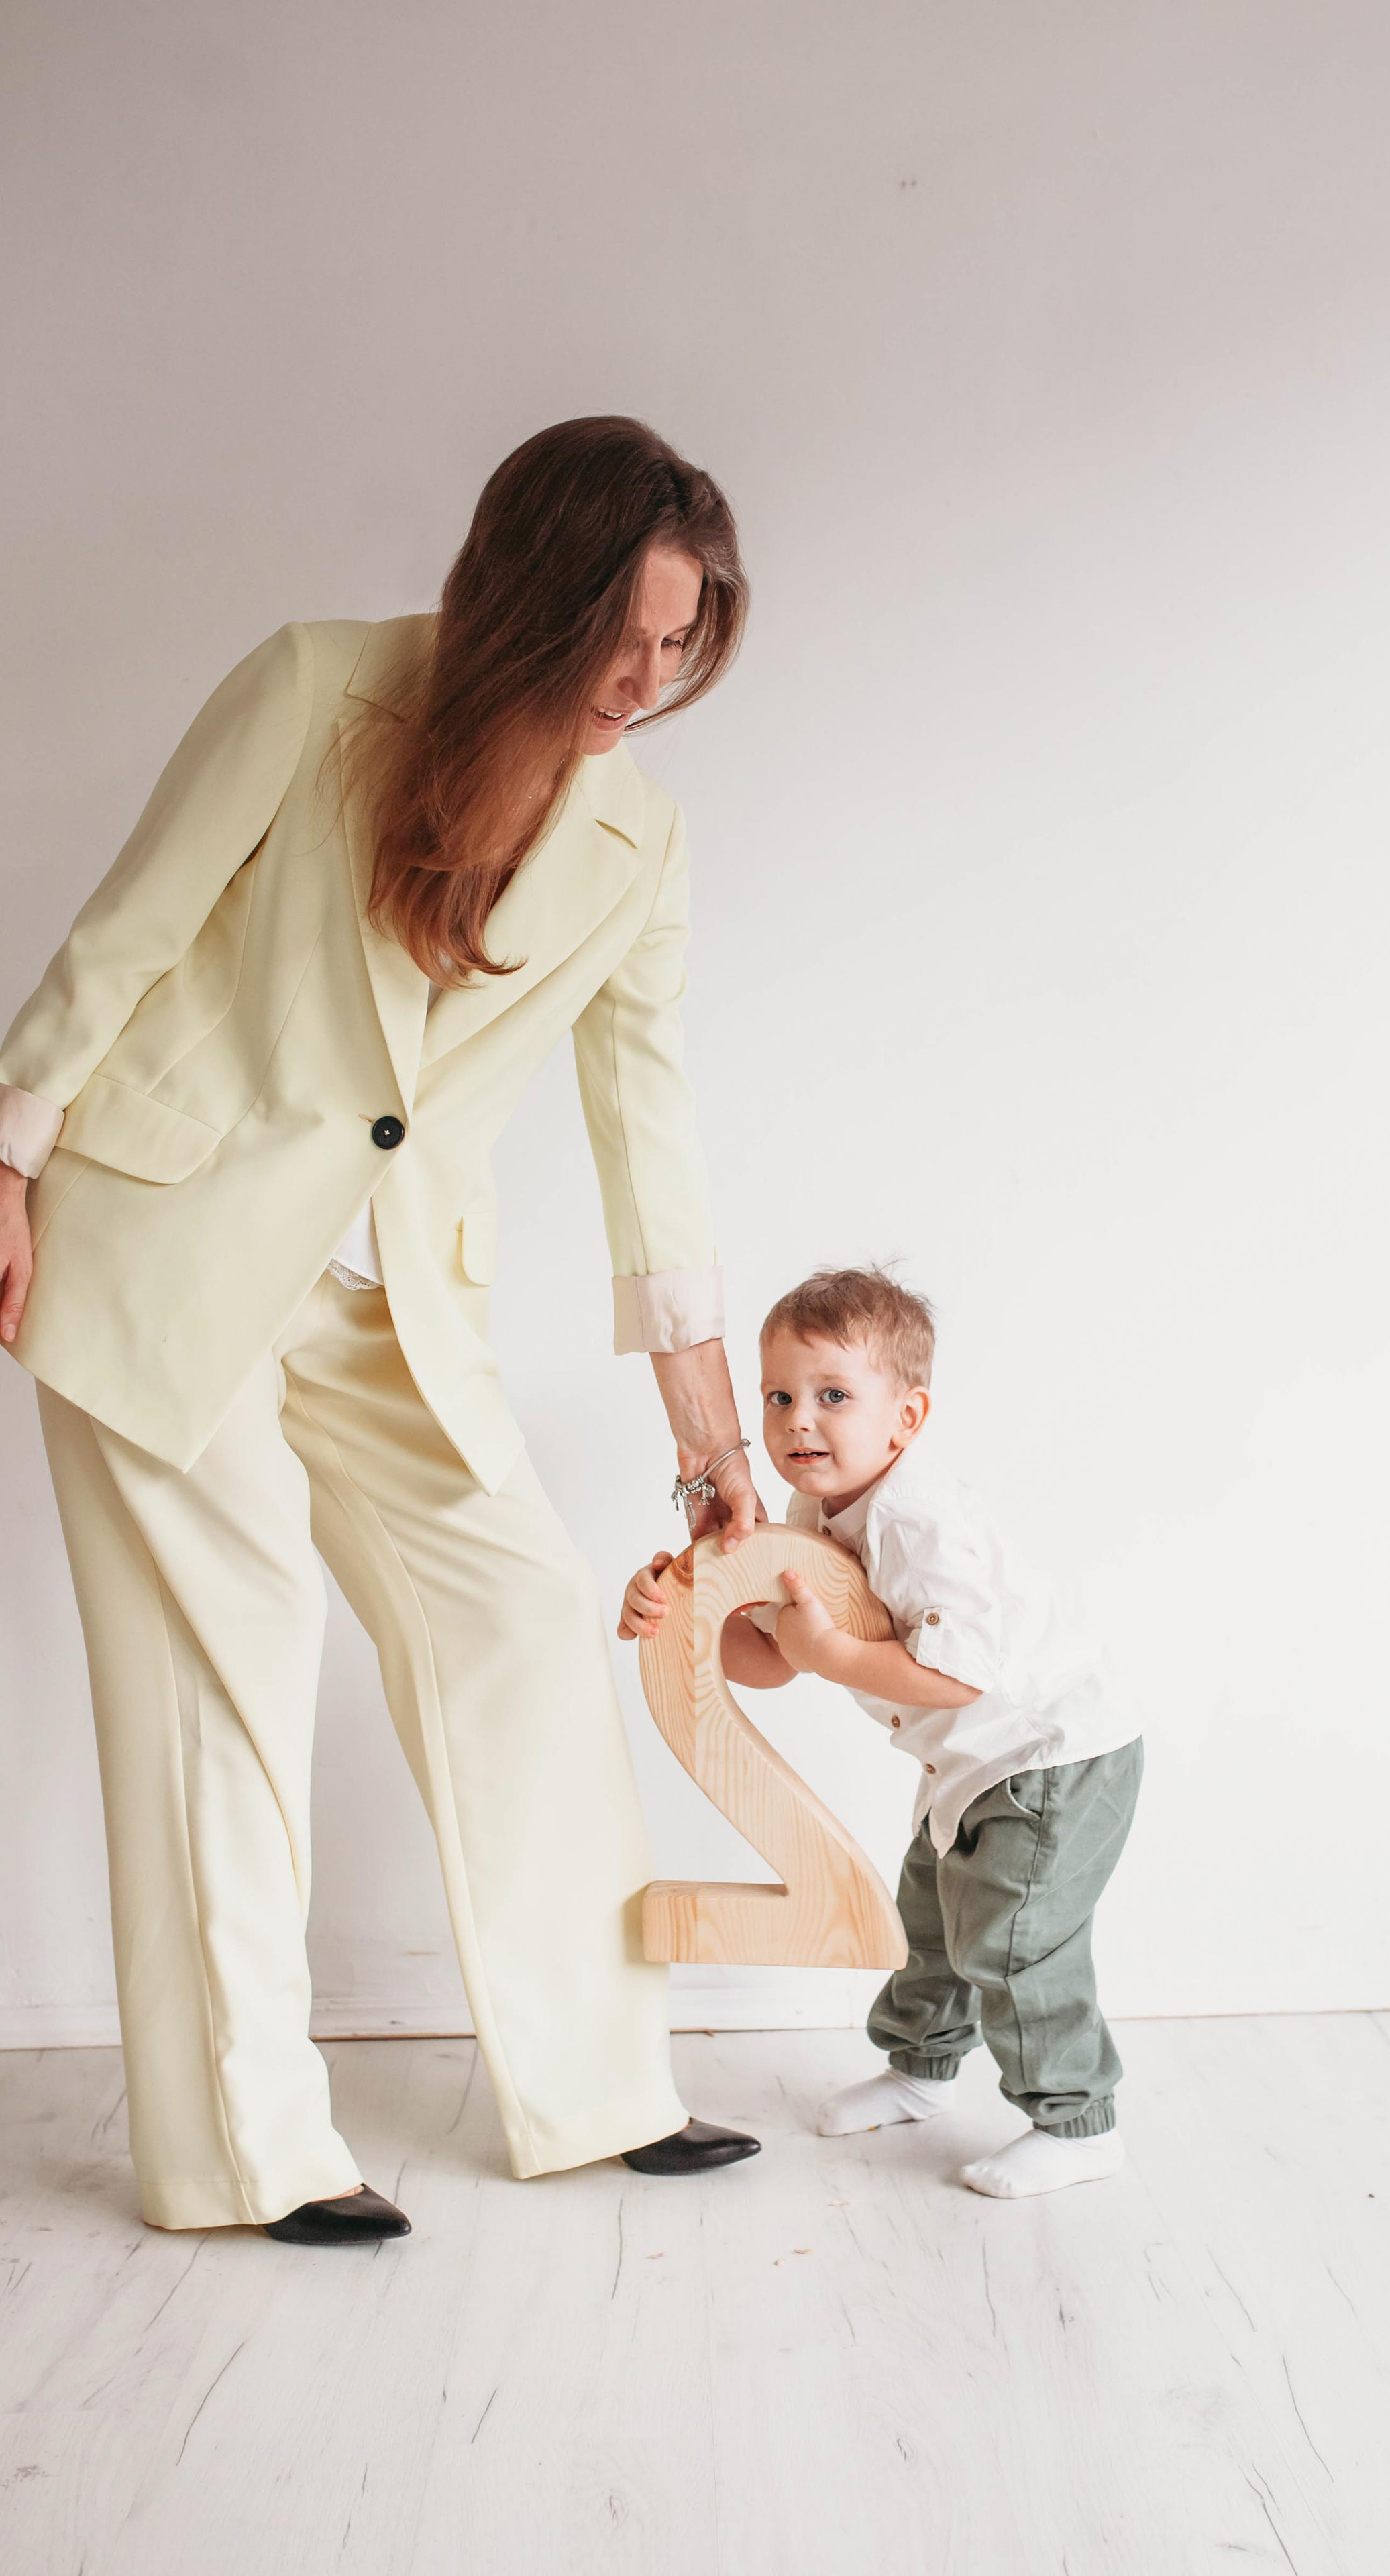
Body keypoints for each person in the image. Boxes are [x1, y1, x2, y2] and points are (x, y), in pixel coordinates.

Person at [0, 417, 768, 2245]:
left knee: (510, 1610)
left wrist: (711, 1433)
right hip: (165, 1237)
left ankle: (595, 2092)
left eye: (682, 646)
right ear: (532, 586)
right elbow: (131, 927)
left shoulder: (638, 843)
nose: (641, 684)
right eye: (621, 635)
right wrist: (9, 1151)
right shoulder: (318, 688)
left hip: (386, 1298)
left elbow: (643, 1134)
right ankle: (249, 2154)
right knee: (228, 1667)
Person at [620, 1267, 1144, 2199]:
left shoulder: (916, 1520)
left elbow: (955, 1675)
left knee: (1015, 1942)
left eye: (832, 1397)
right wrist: (687, 1612)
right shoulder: (811, 1513)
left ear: (905, 1420)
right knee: (932, 1923)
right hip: (971, 1769)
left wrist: (826, 1653)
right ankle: (920, 2071)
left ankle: (1076, 2120)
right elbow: (775, 1656)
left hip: (1050, 1757)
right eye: (778, 1397)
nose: (796, 1423)